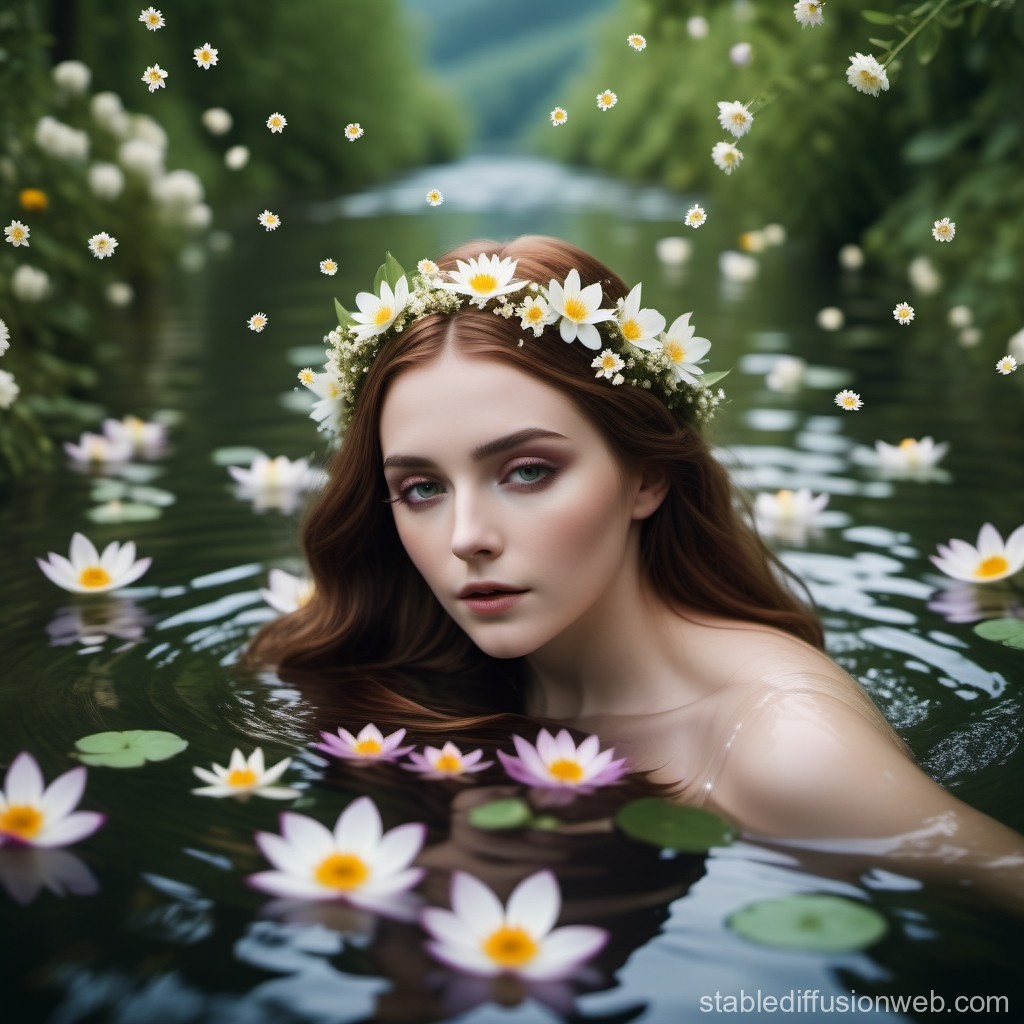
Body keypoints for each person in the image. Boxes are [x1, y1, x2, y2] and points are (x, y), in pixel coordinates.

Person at [246, 235, 1024, 908]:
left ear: (646, 477)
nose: (467, 538)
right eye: (421, 488)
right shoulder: (433, 668)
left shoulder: (786, 748)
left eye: (526, 471)